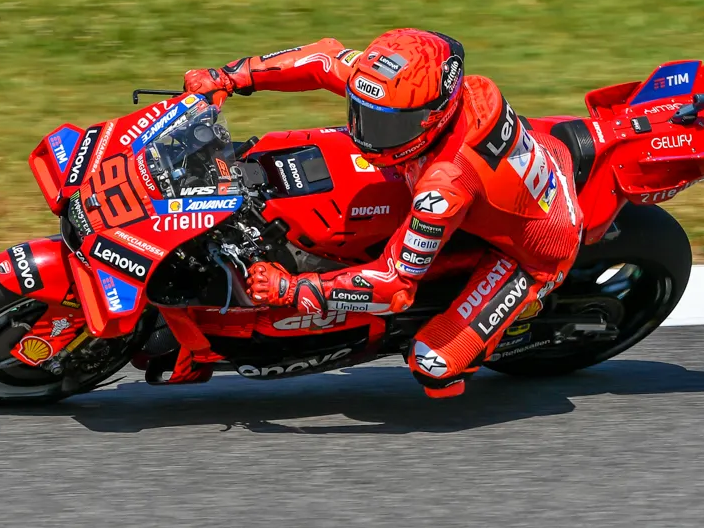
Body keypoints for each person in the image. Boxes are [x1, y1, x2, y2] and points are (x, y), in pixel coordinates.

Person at [182, 29, 583, 398]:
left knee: (433, 364)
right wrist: (229, 77)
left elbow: (394, 286)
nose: (365, 134)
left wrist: (292, 290)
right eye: (362, 113)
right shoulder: (409, 93)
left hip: (535, 251)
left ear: (433, 117)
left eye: (385, 127)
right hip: (527, 166)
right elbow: (323, 59)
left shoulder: (444, 186)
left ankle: (514, 318)